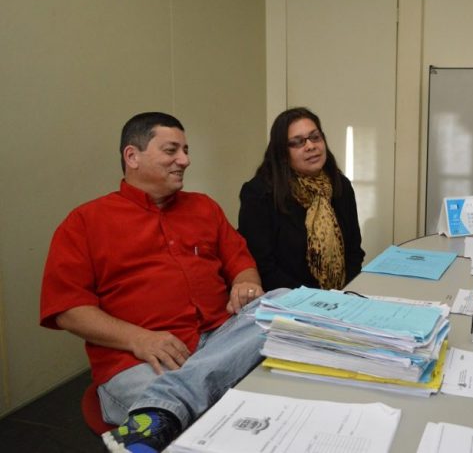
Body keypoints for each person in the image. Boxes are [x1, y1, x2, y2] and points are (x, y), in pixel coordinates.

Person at [40, 112, 285, 453]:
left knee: (283, 301)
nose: (184, 160)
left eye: (185, 150)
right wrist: (138, 338)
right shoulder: (84, 222)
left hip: (220, 338)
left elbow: (241, 263)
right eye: (172, 151)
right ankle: (187, 401)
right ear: (132, 156)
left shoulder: (205, 208)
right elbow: (68, 309)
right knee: (221, 426)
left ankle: (164, 409)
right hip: (141, 360)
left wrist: (246, 284)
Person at [238, 107, 365, 292]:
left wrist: (344, 294)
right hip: (287, 300)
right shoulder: (259, 194)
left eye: (315, 137)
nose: (311, 146)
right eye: (298, 142)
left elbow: (354, 252)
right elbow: (263, 267)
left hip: (340, 297)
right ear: (282, 152)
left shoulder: (340, 185)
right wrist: (314, 299)